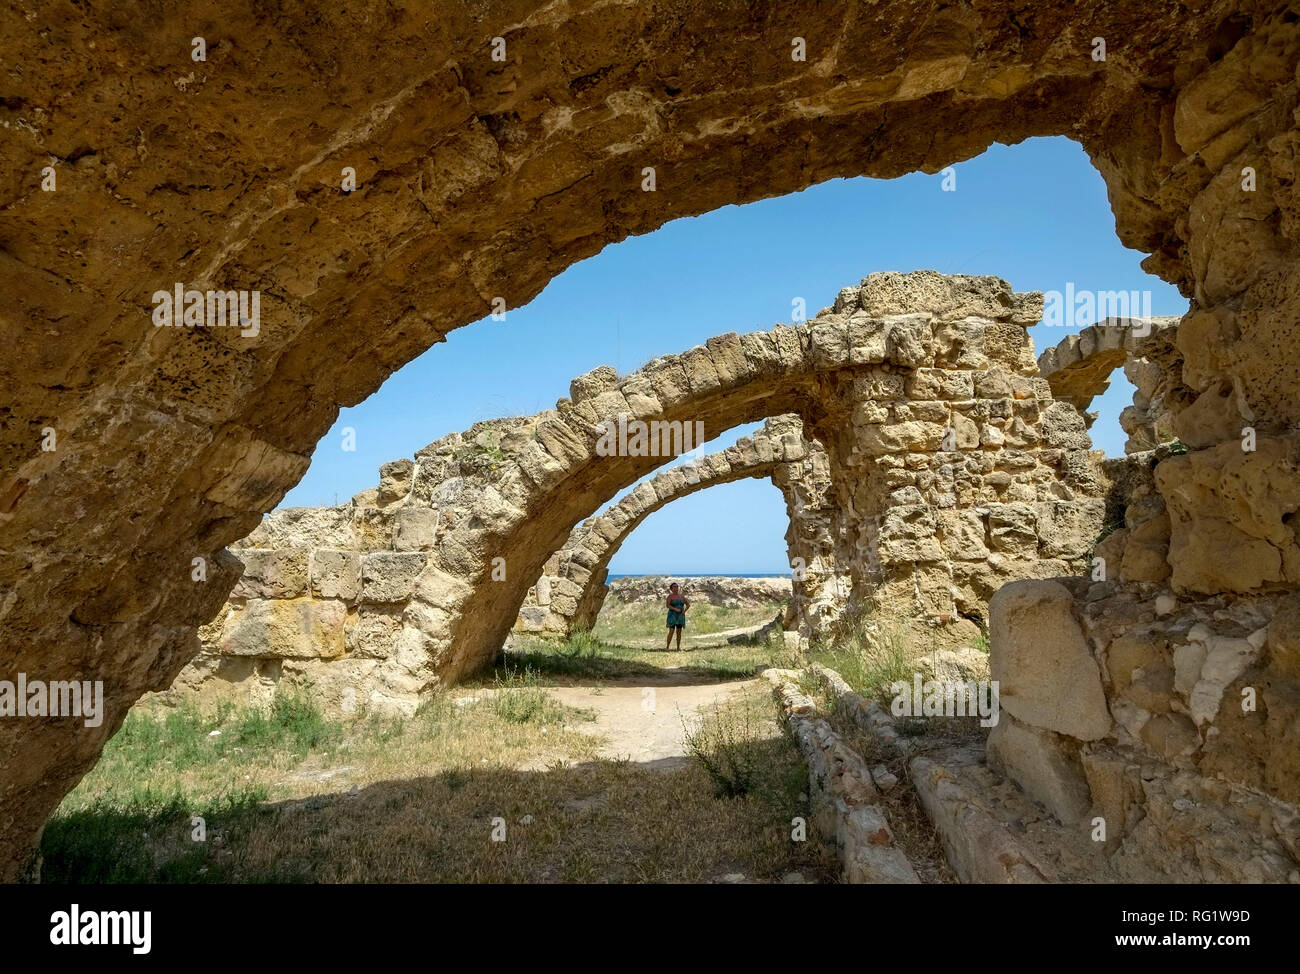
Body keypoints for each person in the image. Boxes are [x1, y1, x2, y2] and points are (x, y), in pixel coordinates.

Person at [665, 582, 690, 650]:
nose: (676, 588)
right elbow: (667, 605)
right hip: (672, 615)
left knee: (679, 632)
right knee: (671, 631)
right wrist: (675, 609)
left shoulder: (681, 596)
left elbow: (688, 605)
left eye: (677, 586)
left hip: (680, 616)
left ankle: (678, 647)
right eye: (674, 587)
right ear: (671, 589)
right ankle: (667, 647)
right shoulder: (670, 596)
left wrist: (684, 611)